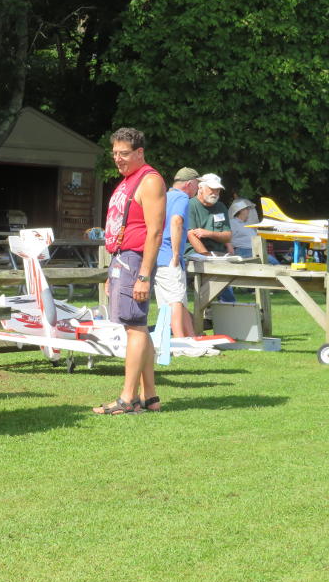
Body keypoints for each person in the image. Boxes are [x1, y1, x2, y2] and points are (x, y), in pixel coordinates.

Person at [92, 127, 166, 415]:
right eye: (114, 154)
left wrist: (144, 276)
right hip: (123, 260)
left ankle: (127, 399)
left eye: (124, 154)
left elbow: (155, 231)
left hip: (135, 260)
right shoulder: (128, 181)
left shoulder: (149, 180)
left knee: (134, 327)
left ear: (139, 153)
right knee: (137, 327)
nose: (118, 159)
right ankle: (149, 397)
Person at [155, 167, 198, 339]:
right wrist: (175, 254)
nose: (198, 188)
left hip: (157, 257)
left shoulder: (164, 196)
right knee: (176, 301)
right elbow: (176, 220)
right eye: (197, 184)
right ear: (189, 184)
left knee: (177, 302)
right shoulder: (182, 197)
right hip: (169, 258)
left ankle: (191, 337)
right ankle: (180, 342)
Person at [185, 172, 235, 303]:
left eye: (217, 190)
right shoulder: (191, 205)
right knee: (207, 293)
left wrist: (209, 233)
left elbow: (228, 236)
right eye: (211, 189)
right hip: (195, 256)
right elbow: (191, 235)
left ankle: (224, 317)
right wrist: (207, 257)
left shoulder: (221, 207)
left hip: (218, 256)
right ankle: (207, 317)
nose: (215, 193)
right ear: (200, 188)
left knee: (227, 294)